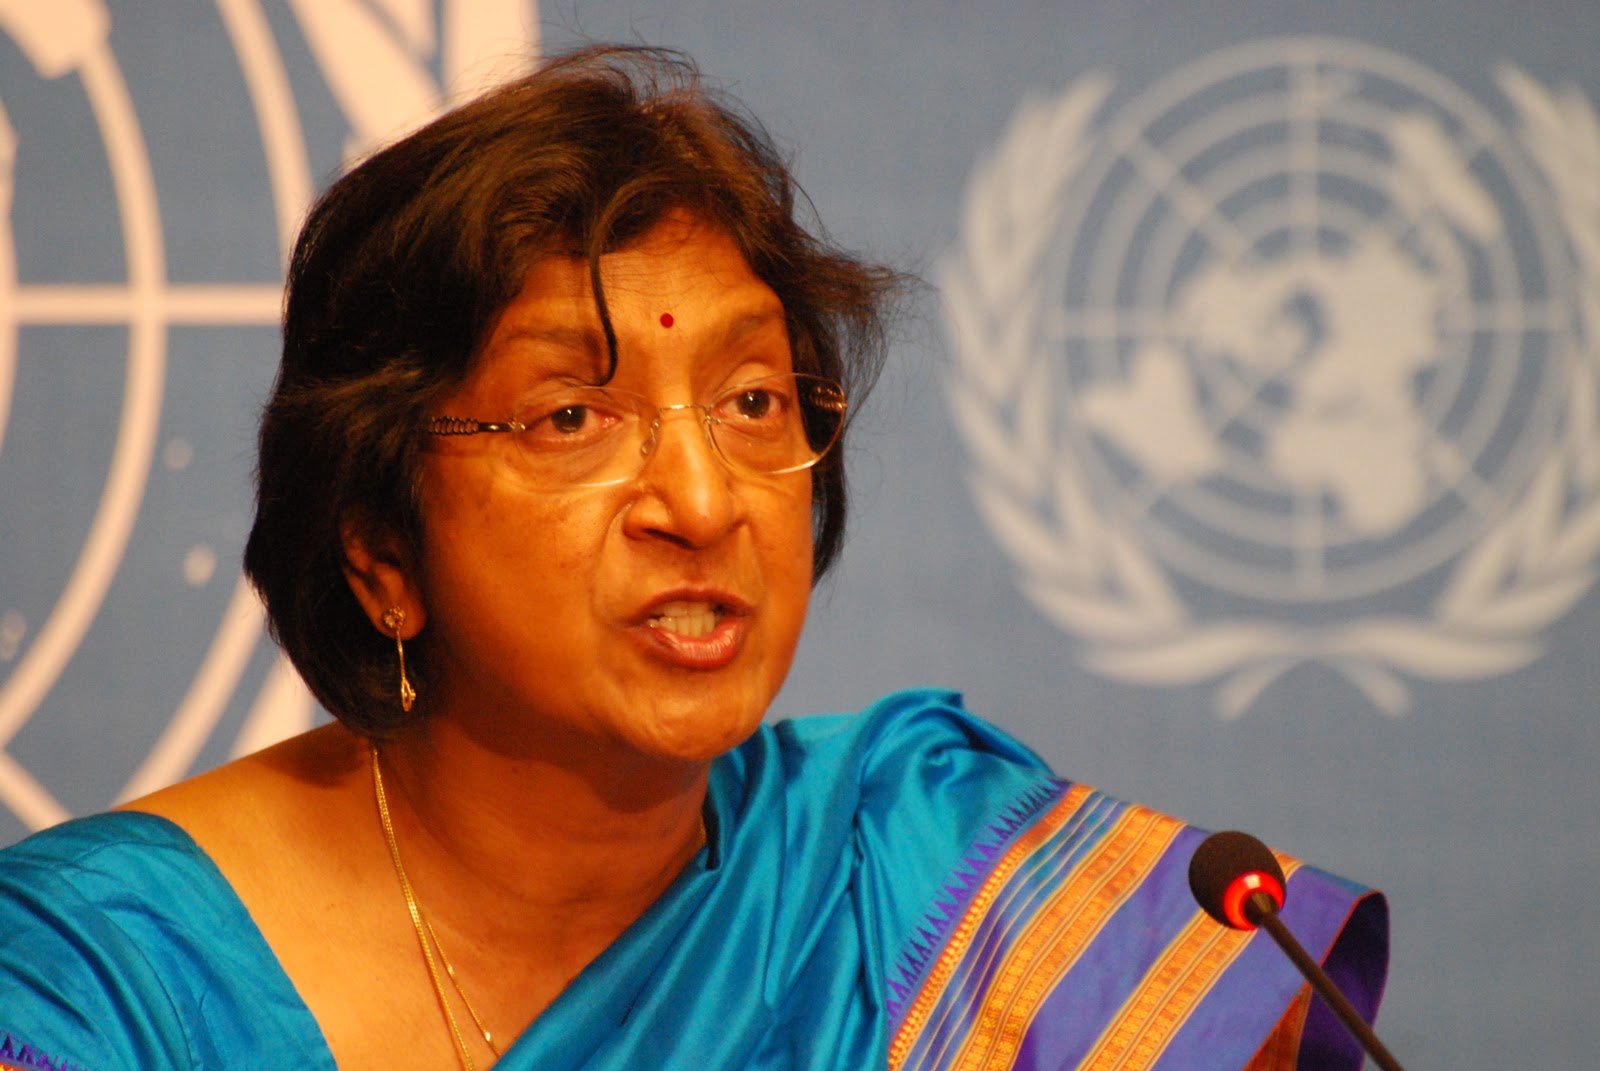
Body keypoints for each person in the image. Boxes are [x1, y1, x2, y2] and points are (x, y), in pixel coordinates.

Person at [0, 46, 1387, 1070]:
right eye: (571, 417)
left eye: (753, 401)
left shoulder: (915, 884)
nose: (705, 501)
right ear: (381, 556)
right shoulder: (105, 980)